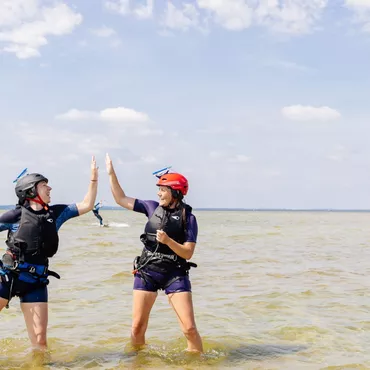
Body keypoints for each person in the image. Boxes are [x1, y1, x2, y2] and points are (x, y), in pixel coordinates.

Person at [105, 153, 203, 353]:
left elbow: (188, 253)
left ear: (175, 192)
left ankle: (198, 363)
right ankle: (138, 363)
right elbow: (120, 198)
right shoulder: (151, 207)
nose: (159, 193)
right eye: (158, 189)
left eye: (162, 189)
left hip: (175, 273)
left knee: (189, 329)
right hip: (147, 271)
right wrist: (111, 173)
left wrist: (168, 241)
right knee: (137, 328)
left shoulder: (188, 218)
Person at [0, 156, 98, 351]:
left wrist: (93, 179)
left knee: (40, 342)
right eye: (44, 185)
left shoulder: (55, 214)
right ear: (30, 190)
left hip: (36, 282)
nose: (50, 188)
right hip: (8, 278)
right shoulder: (14, 216)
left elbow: (87, 204)